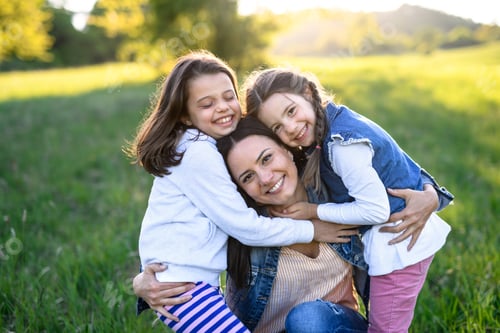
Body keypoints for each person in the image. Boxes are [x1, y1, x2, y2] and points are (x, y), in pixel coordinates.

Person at [125, 51, 358, 332]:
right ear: (185, 115)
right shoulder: (201, 156)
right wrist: (144, 280)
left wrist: (426, 192)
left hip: (326, 321)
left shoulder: (333, 183)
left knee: (309, 319)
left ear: (285, 146)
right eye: (207, 104)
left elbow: (385, 177)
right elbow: (230, 227)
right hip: (186, 285)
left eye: (228, 96)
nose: (223, 108)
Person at [243, 67, 454, 332]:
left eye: (291, 111)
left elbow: (375, 211)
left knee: (385, 328)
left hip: (398, 241)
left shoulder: (342, 144)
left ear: (307, 93)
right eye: (277, 127)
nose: (291, 128)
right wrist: (429, 189)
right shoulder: (334, 125)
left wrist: (313, 211)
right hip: (389, 240)